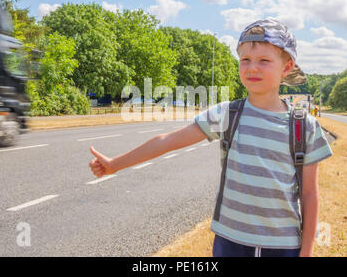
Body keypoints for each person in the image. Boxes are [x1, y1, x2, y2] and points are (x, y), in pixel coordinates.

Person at [88, 18, 333, 257]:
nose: (252, 67)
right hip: (230, 242)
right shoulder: (227, 114)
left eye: (264, 60)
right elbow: (167, 141)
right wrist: (114, 164)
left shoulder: (303, 126)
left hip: (283, 246)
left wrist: (307, 251)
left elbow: (310, 194)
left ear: (287, 67)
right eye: (245, 59)